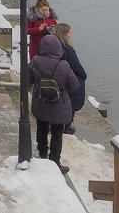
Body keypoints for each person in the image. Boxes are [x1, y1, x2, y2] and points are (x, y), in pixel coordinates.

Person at [29, 33, 79, 173]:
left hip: (41, 103)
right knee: (57, 133)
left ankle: (42, 154)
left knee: (42, 128)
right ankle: (55, 161)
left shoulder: (35, 61)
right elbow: (75, 86)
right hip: (60, 105)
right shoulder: (64, 65)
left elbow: (27, 80)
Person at [54, 23, 87, 135]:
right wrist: (84, 76)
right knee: (70, 103)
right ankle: (67, 126)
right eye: (69, 32)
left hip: (57, 79)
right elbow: (76, 66)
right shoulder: (68, 49)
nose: (71, 33)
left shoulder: (54, 47)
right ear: (64, 34)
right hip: (69, 80)